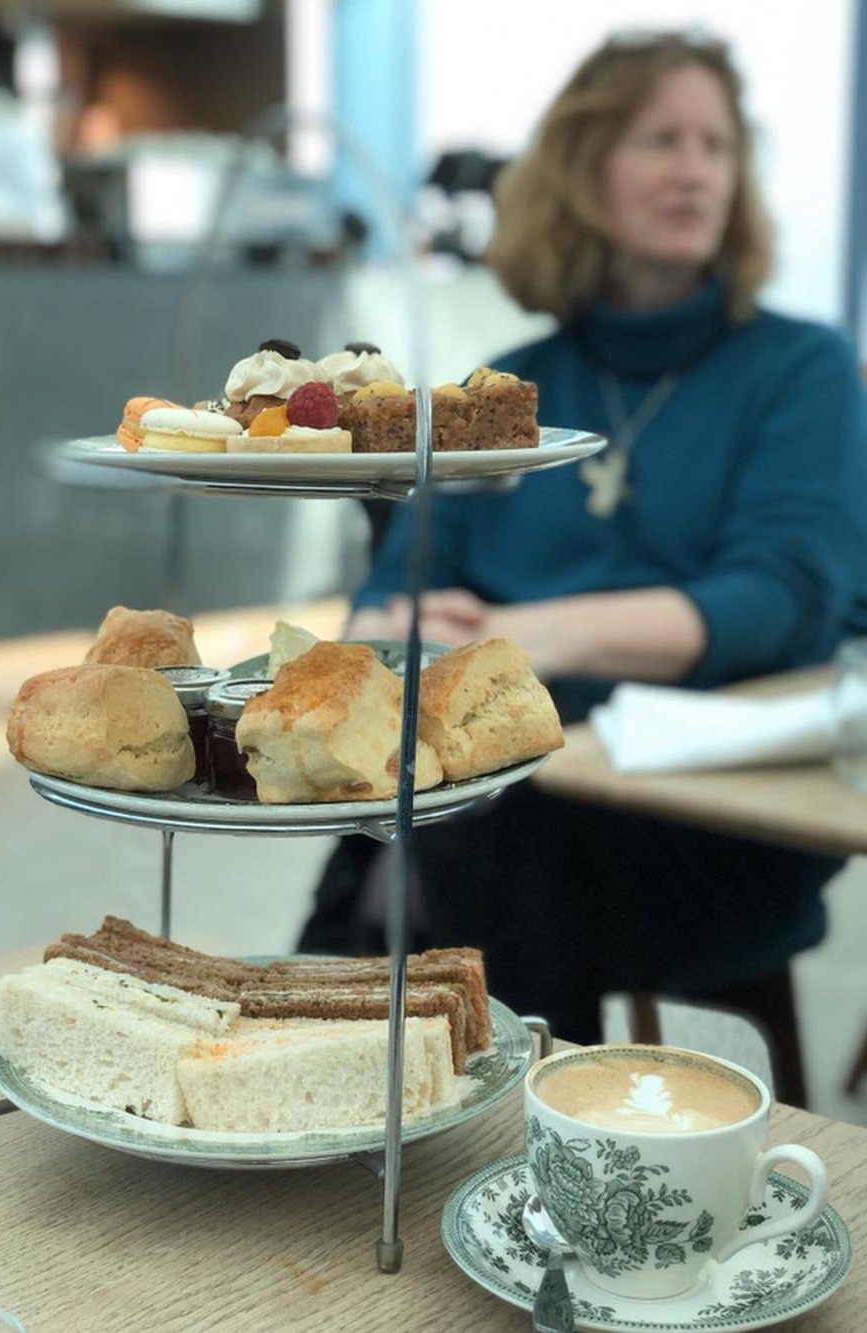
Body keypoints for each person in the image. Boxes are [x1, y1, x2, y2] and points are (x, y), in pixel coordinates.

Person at [297, 31, 867, 1106]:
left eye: (716, 145)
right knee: (435, 803)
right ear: (581, 171)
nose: (696, 170)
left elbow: (781, 599)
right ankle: (401, 1090)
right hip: (507, 786)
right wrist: (392, 631)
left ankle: (395, 1095)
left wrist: (528, 637)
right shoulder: (506, 389)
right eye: (661, 140)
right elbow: (391, 593)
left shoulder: (801, 367)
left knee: (458, 826)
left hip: (710, 806)